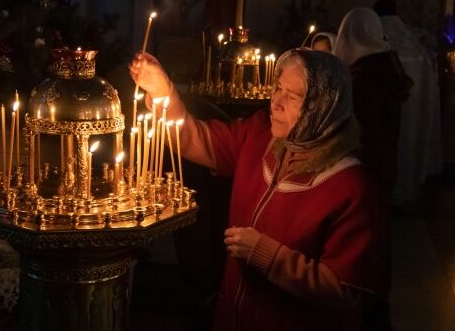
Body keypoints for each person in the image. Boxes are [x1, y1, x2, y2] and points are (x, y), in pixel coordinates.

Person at [129, 49, 387, 330]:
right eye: (278, 88)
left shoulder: (351, 187)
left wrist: (266, 254)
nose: (275, 102)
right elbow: (196, 139)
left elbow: (344, 289)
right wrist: (163, 92)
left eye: (293, 96)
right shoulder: (260, 135)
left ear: (324, 106)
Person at [334, 7, 413, 198]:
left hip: (364, 167)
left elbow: (361, 130)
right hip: (384, 160)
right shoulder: (386, 64)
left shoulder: (364, 77)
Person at [373, 0, 443, 205]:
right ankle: (407, 190)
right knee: (410, 146)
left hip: (384, 112)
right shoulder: (415, 43)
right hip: (413, 113)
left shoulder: (375, 39)